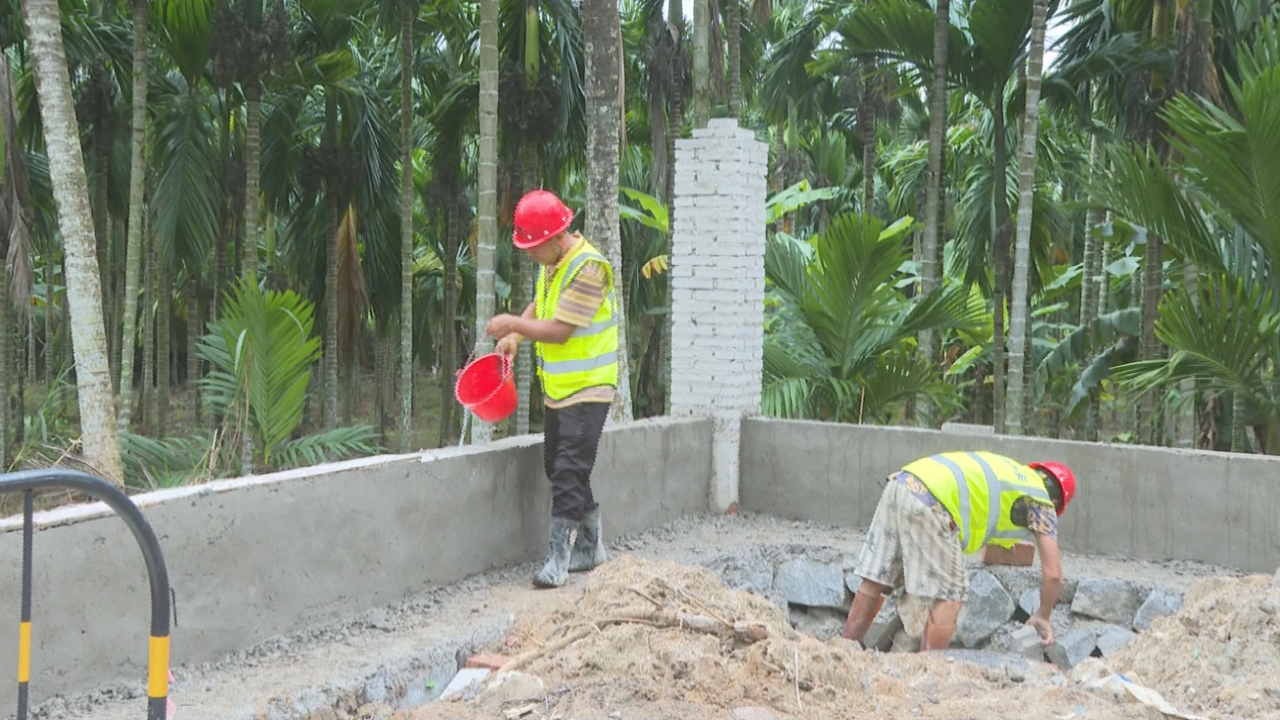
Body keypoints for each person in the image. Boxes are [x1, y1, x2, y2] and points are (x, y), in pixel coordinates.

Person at [484, 189, 619, 589]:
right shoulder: (556, 263)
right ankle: (592, 546)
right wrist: (517, 337)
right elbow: (542, 305)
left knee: (567, 471)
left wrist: (512, 324)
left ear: (557, 237)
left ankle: (558, 560)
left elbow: (560, 331)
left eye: (533, 247)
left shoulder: (588, 270)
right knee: (558, 467)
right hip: (561, 389)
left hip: (589, 387)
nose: (529, 255)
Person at [841, 451, 1077, 651]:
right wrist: (1042, 616)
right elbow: (1054, 573)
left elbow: (992, 518)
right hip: (933, 501)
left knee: (877, 577)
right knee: (951, 596)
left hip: (903, 481)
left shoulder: (1013, 475)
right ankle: (928, 673)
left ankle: (843, 651)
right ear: (1057, 503)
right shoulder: (1041, 502)